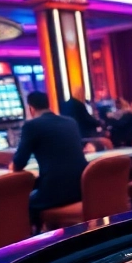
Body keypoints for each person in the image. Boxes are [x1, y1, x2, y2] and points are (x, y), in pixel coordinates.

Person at [14, 91, 88, 220]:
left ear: (30, 108)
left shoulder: (31, 126)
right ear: (49, 105)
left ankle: (36, 238)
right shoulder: (70, 122)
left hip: (55, 193)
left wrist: (12, 165)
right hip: (81, 188)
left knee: (18, 203)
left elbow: (19, 164)